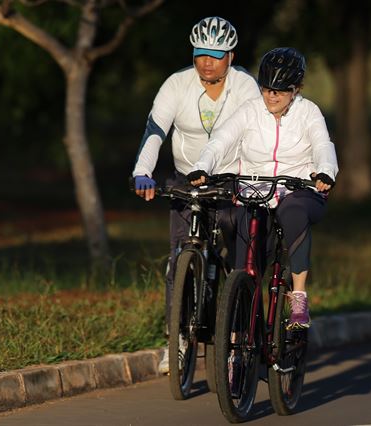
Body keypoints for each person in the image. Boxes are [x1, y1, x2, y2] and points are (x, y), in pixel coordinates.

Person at [131, 16, 261, 373]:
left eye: (216, 55)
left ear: (230, 56)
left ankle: (236, 344)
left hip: (231, 182)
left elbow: (256, 132)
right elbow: (156, 130)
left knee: (240, 262)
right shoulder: (177, 84)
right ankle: (178, 342)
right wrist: (142, 171)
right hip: (185, 181)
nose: (206, 62)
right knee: (178, 259)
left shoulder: (246, 87)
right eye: (200, 53)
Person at [188, 47, 339, 329]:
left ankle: (299, 297)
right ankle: (243, 316)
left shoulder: (309, 113)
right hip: (254, 191)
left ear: (297, 89)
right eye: (266, 89)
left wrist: (325, 172)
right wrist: (202, 166)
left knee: (293, 212)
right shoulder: (249, 111)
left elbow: (322, 145)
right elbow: (221, 141)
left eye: (280, 91)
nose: (271, 96)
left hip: (299, 189)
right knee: (244, 252)